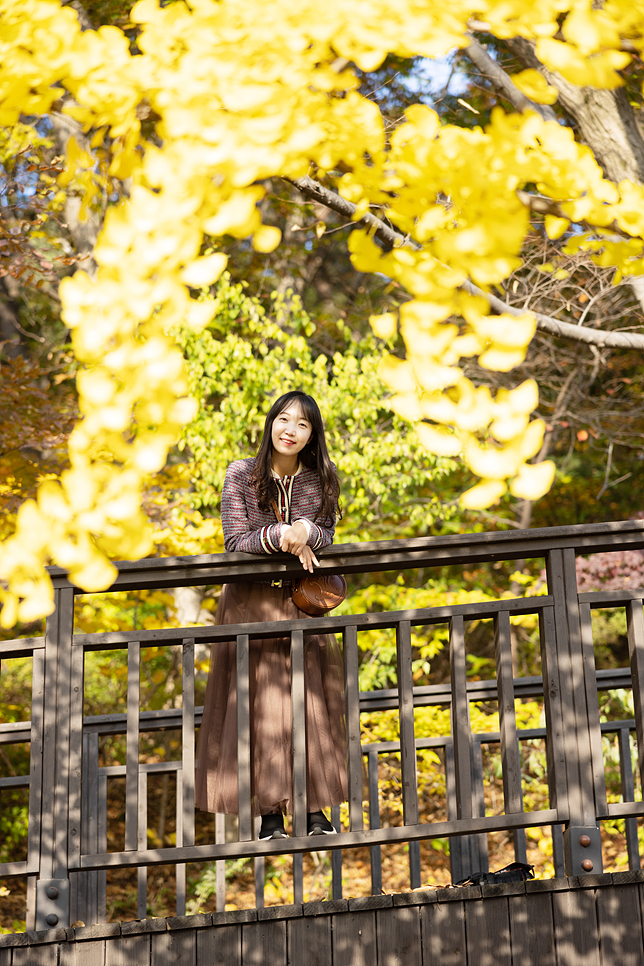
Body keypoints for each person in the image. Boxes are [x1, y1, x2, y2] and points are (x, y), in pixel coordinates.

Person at [195, 390, 348, 840]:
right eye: (284, 420)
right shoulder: (241, 474)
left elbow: (329, 535)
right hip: (251, 602)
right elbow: (234, 540)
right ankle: (268, 817)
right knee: (260, 704)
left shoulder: (321, 478)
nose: (290, 430)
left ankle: (315, 811)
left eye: (302, 424)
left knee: (308, 699)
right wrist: (280, 533)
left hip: (301, 602)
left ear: (311, 435)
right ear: (270, 424)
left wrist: (308, 530)